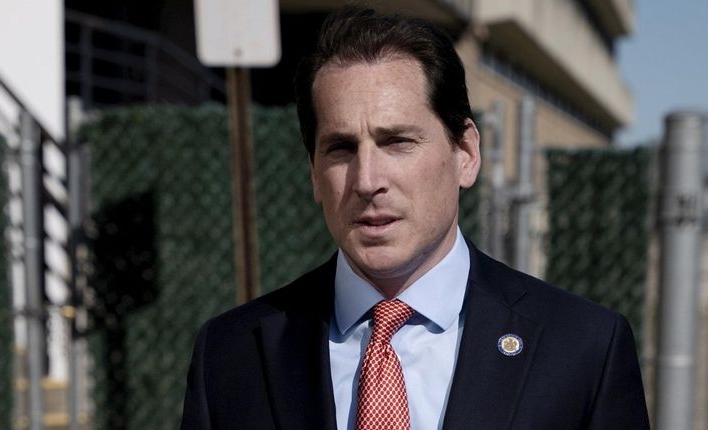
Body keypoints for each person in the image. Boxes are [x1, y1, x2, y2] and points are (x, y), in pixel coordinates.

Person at [180, 6, 649, 429]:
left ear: (465, 152)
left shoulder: (583, 349)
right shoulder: (230, 354)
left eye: (398, 142)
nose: (367, 180)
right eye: (341, 148)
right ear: (314, 174)